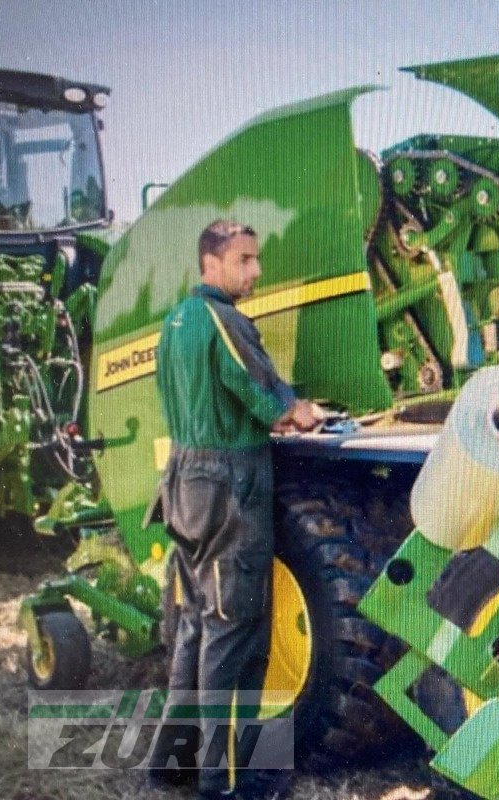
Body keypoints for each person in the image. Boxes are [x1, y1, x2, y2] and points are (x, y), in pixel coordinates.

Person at [150, 220, 316, 800]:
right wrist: (297, 410)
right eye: (245, 259)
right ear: (212, 263)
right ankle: (226, 782)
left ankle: (172, 762)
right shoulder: (224, 320)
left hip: (185, 479)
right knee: (235, 627)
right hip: (228, 484)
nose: (255, 271)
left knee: (197, 623)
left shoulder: (174, 323)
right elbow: (260, 395)